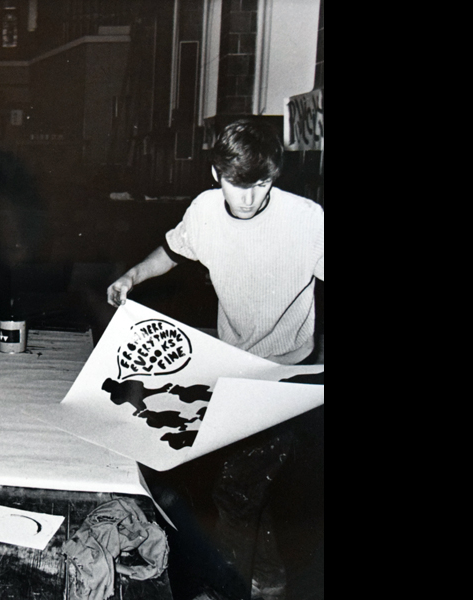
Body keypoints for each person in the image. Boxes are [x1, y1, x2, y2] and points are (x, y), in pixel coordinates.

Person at [106, 119, 324, 600]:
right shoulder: (205, 210)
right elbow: (171, 251)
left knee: (234, 491)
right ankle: (267, 577)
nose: (247, 198)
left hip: (287, 374)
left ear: (274, 176)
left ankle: (227, 591)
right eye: (235, 184)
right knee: (249, 480)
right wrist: (131, 278)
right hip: (231, 362)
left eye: (260, 184)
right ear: (215, 173)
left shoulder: (308, 221)